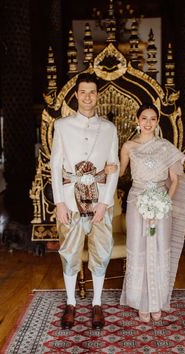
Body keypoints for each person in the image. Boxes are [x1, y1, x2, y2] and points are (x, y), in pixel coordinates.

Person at [50, 73, 119, 330]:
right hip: (69, 200)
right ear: (76, 95)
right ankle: (71, 303)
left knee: (101, 252)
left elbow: (114, 165)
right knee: (69, 254)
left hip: (100, 201)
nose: (88, 96)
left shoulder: (109, 129)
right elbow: (55, 165)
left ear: (97, 95)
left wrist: (105, 202)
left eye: (92, 91)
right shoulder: (62, 126)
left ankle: (97, 303)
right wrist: (58, 202)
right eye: (83, 92)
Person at [117, 103, 185, 322]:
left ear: (157, 121)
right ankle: (141, 302)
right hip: (136, 199)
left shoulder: (166, 147)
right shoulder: (128, 146)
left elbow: (175, 180)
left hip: (161, 201)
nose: (148, 123)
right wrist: (108, 168)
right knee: (139, 247)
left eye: (153, 119)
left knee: (159, 248)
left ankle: (156, 301)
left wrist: (163, 203)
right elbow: (121, 173)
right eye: (144, 118)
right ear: (137, 120)